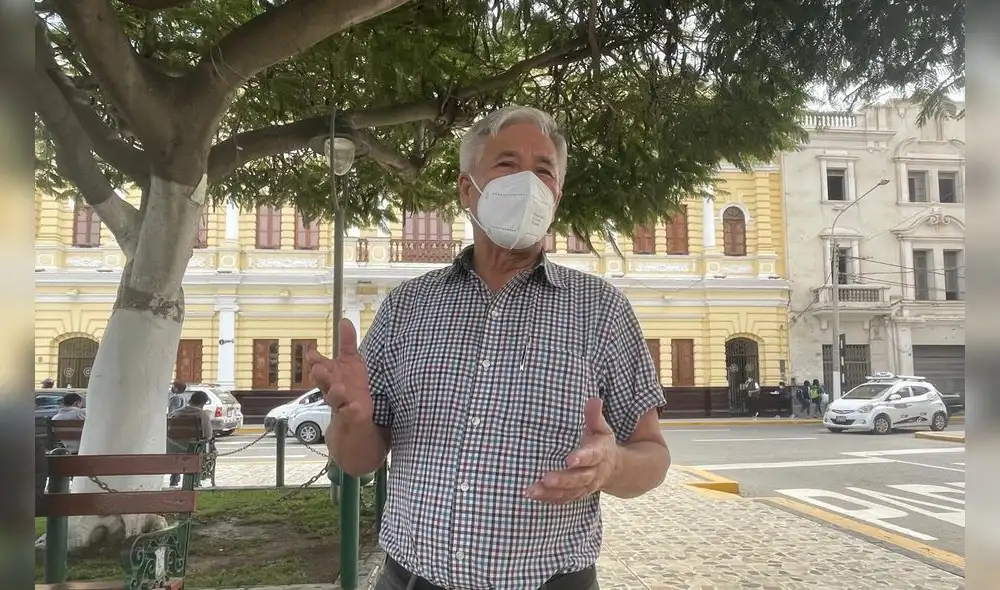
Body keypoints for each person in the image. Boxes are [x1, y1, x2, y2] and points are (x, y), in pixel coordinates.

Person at [307, 105, 671, 590]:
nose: (527, 182)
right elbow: (358, 459)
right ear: (466, 189)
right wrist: (350, 421)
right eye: (506, 164)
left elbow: (653, 456)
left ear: (557, 196)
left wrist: (613, 465)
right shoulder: (407, 308)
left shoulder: (601, 311)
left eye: (544, 170)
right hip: (410, 579)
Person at [167, 389, 212, 487]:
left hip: (174, 450)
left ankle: (174, 478)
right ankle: (197, 479)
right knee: (208, 446)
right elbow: (208, 436)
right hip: (193, 451)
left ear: (190, 400)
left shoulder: (175, 413)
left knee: (180, 445)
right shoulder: (203, 415)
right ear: (203, 403)